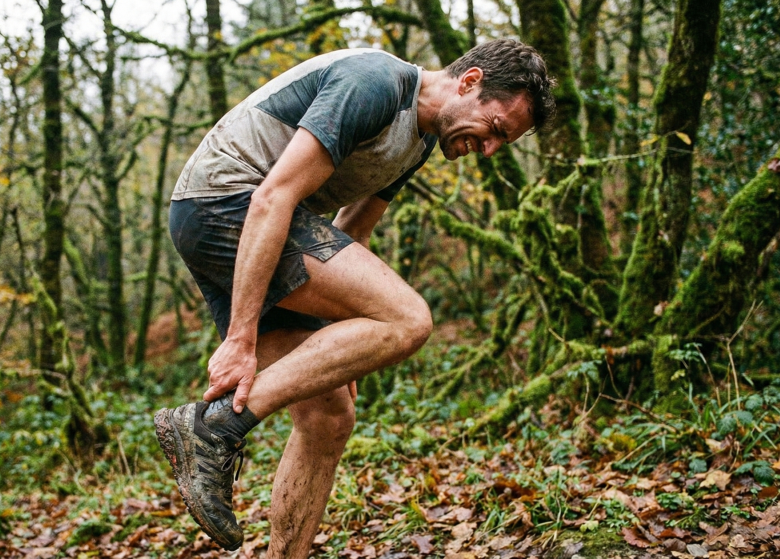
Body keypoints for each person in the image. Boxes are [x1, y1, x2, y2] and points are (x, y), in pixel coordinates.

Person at [154, 39, 555, 556]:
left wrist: (353, 348)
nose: (491, 149)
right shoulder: (375, 84)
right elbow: (273, 195)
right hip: (226, 207)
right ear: (470, 82)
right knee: (411, 318)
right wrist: (240, 336)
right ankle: (212, 428)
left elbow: (352, 233)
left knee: (329, 417)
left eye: (505, 142)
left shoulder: (420, 139)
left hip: (247, 224)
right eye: (496, 129)